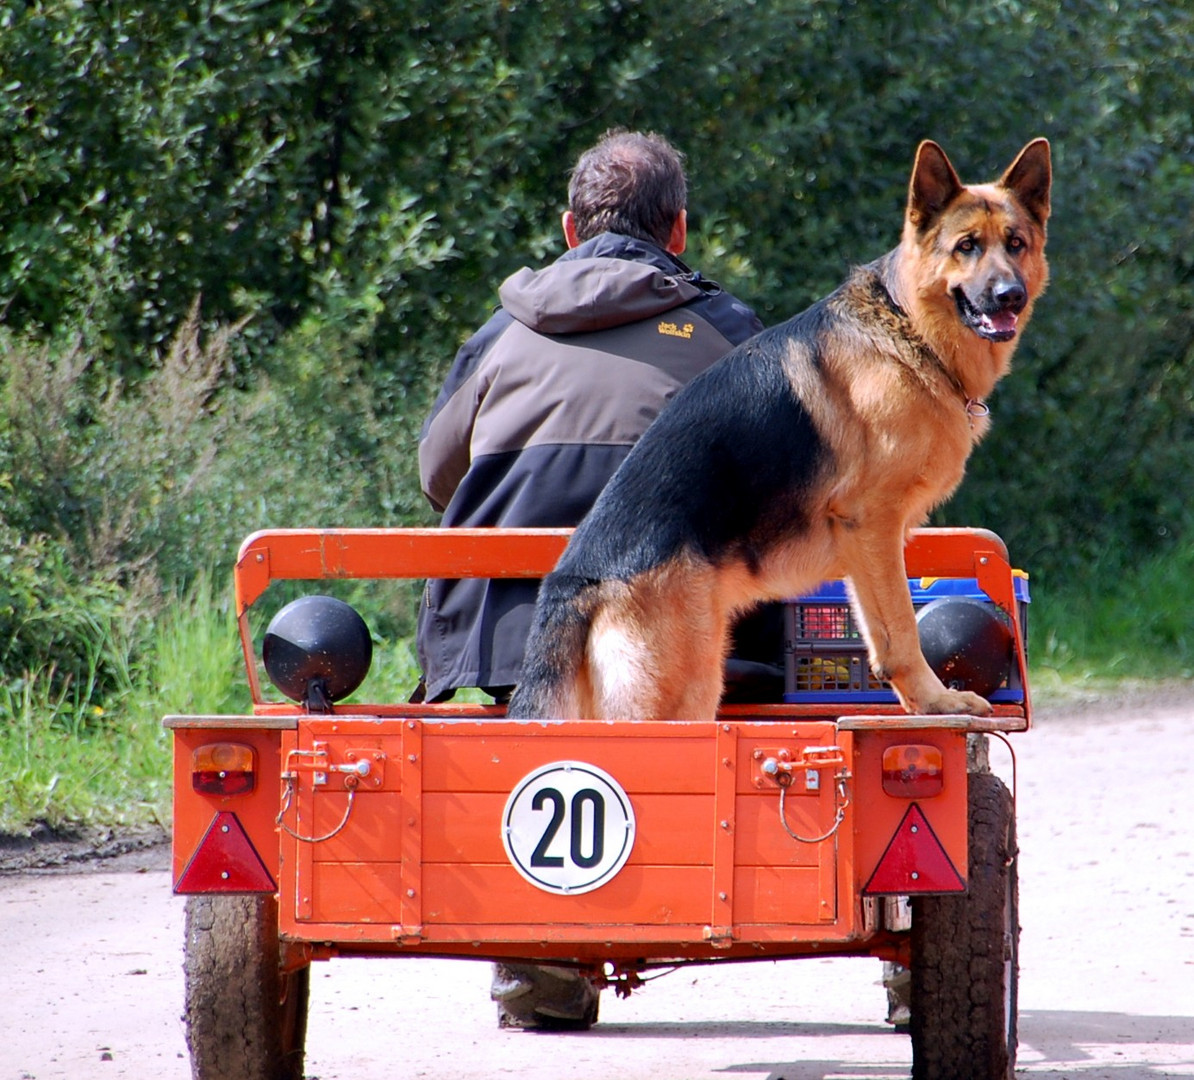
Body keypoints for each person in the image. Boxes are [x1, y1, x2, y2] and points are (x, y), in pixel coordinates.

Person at [414, 129, 765, 1030]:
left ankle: (545, 956)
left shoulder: (501, 331)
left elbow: (437, 475)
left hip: (513, 641)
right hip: (680, 649)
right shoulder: (728, 332)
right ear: (678, 231)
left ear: (573, 229)